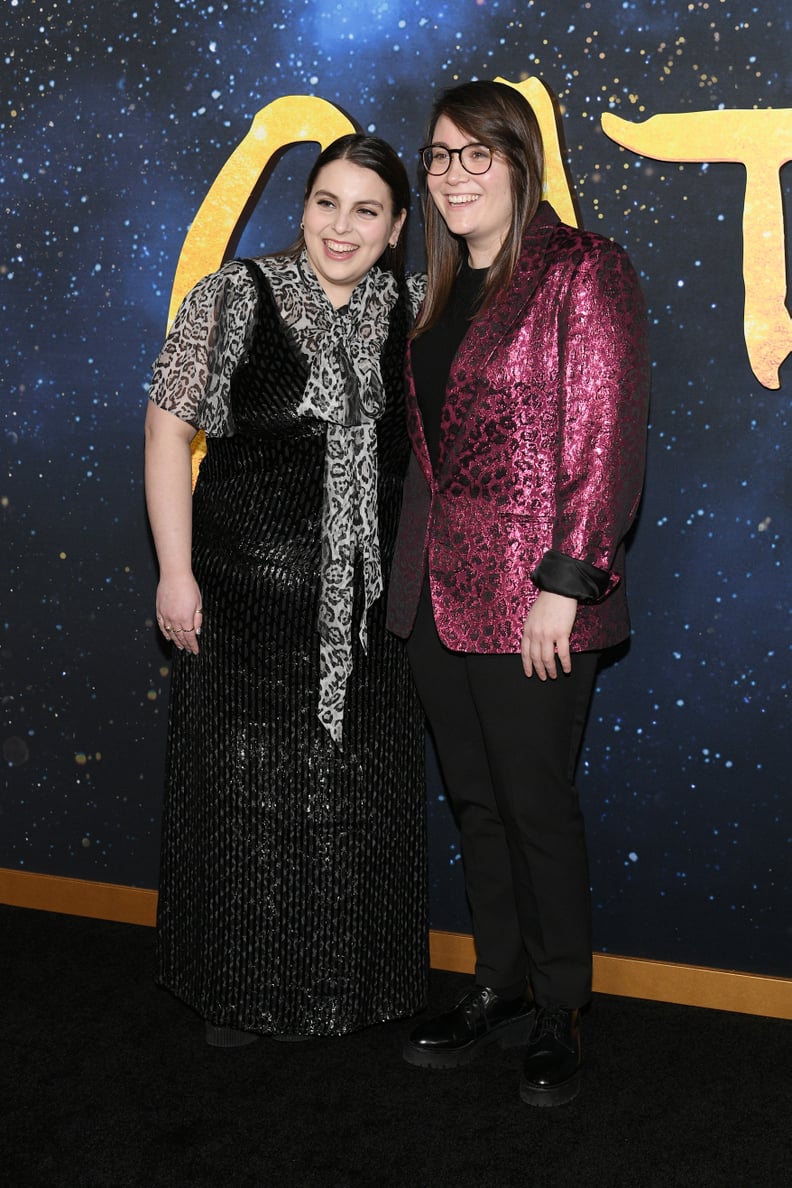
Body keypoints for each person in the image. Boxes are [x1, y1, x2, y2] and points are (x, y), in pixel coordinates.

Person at [387, 81, 650, 1105]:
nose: (451, 174)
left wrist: (567, 582)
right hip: (435, 600)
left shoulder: (585, 271)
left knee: (537, 807)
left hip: (538, 599)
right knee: (476, 806)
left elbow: (606, 432)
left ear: (519, 160)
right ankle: (497, 982)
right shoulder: (441, 292)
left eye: (472, 154)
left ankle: (561, 1006)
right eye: (438, 157)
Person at [144, 134, 428, 1045]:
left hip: (369, 610)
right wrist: (175, 573)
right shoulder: (234, 295)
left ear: (394, 231)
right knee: (243, 800)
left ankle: (350, 989)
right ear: (301, 206)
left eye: (367, 210)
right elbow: (164, 433)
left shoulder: (417, 312)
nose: (341, 227)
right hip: (245, 599)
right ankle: (237, 990)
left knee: (356, 797)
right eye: (326, 202)